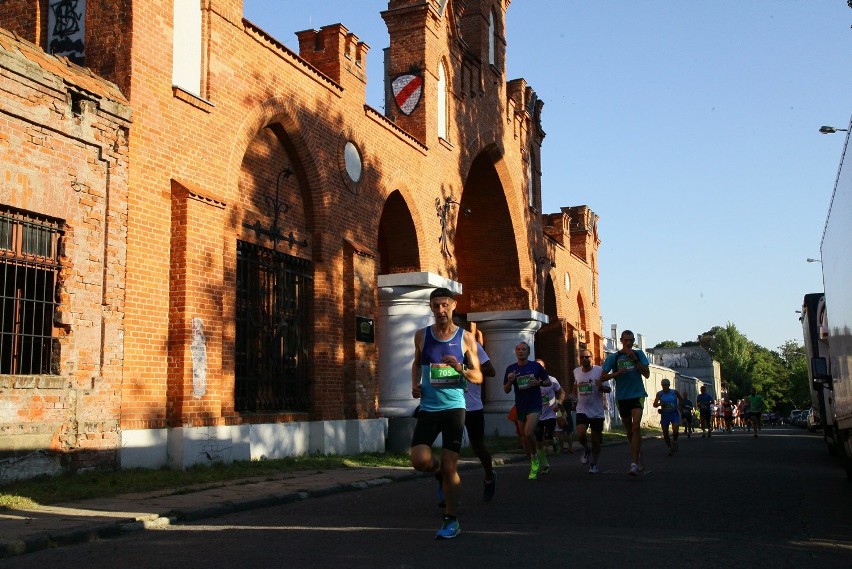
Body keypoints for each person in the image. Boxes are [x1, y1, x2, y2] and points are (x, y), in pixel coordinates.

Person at [410, 287, 482, 540]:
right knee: (419, 460)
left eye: (444, 305)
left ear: (453, 306)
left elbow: (479, 377)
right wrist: (414, 384)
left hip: (454, 408)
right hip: (429, 408)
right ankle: (437, 472)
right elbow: (417, 363)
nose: (440, 310)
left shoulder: (466, 338)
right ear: (431, 307)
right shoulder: (422, 336)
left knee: (451, 464)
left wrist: (460, 369)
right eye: (436, 305)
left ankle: (451, 520)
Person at [601, 330, 650, 477]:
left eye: (631, 340)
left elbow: (646, 374)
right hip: (622, 397)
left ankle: (633, 464)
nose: (628, 343)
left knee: (636, 427)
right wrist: (616, 374)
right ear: (621, 340)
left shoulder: (639, 354)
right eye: (626, 340)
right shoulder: (614, 357)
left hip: (637, 395)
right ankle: (638, 453)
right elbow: (602, 377)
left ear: (633, 341)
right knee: (629, 431)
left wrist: (635, 360)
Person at [503, 341, 550, 480]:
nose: (521, 351)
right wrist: (510, 381)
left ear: (528, 352)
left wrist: (538, 383)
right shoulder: (510, 369)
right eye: (518, 349)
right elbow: (506, 390)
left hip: (534, 404)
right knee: (524, 438)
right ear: (516, 352)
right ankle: (533, 461)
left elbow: (548, 382)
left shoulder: (535, 366)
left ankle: (535, 458)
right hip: (520, 406)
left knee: (528, 432)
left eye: (523, 349)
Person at [464, 339, 497, 501]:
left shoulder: (471, 344)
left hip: (472, 406)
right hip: (449, 405)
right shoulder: (438, 343)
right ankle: (446, 491)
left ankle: (489, 475)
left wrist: (464, 369)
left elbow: (491, 370)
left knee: (477, 446)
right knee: (449, 451)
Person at [573, 348, 609, 473]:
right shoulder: (576, 371)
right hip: (581, 409)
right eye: (582, 357)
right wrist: (572, 397)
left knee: (595, 441)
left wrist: (601, 387)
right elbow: (575, 386)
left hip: (597, 411)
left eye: (587, 357)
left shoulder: (599, 371)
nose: (584, 359)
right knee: (581, 434)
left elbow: (608, 390)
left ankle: (594, 463)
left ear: (592, 358)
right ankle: (586, 449)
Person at [534, 358, 565, 475]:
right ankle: (546, 465)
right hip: (536, 414)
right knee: (538, 442)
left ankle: (555, 441)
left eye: (540, 366)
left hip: (550, 413)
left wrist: (559, 403)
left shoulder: (551, 380)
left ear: (544, 368)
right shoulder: (531, 381)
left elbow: (562, 392)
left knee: (547, 439)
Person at [652, 379, 683, 456]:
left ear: (669, 385)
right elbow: (654, 404)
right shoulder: (659, 394)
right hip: (665, 415)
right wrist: (659, 404)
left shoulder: (674, 392)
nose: (665, 387)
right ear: (661, 386)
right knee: (665, 433)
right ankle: (669, 447)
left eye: (666, 385)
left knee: (675, 430)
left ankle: (674, 441)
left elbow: (681, 399)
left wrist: (680, 406)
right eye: (663, 385)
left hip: (674, 414)